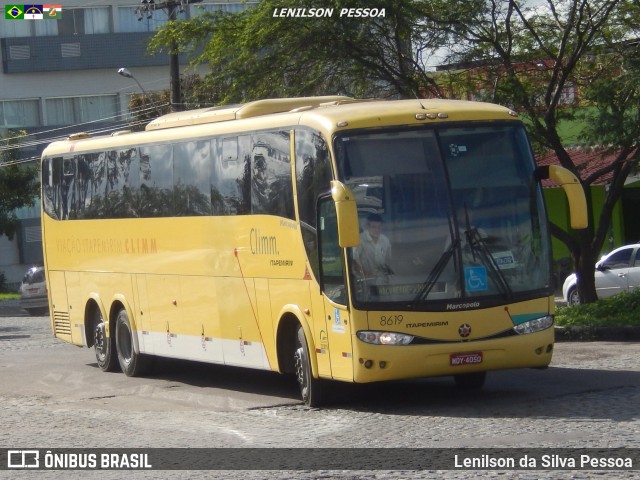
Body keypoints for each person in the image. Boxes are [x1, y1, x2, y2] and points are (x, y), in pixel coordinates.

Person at [353, 213, 393, 278]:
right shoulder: (360, 240)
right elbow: (354, 261)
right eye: (374, 227)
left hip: (382, 281)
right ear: (367, 227)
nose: (377, 230)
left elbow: (388, 260)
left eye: (379, 227)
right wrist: (366, 275)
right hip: (364, 282)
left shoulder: (385, 240)